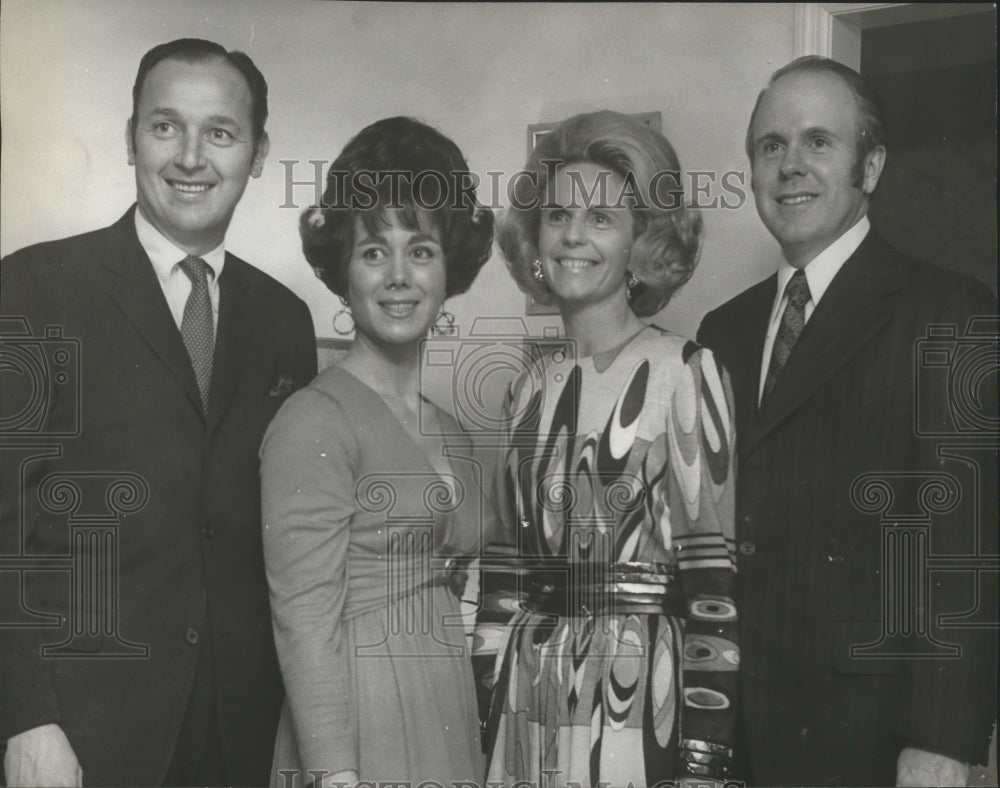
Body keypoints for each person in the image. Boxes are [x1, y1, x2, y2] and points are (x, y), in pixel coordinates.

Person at [0, 38, 317, 786]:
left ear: (259, 151)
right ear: (130, 136)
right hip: (79, 730)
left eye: (220, 132)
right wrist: (24, 716)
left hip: (241, 733)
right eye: (165, 126)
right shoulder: (36, 287)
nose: (190, 158)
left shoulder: (284, 320)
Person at [697, 56, 998, 787]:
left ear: (872, 165)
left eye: (818, 142)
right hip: (734, 725)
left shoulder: (950, 312)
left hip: (875, 736)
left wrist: (943, 741)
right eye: (771, 145)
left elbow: (965, 551)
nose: (790, 166)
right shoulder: (722, 331)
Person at [476, 110, 738, 787]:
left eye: (600, 220)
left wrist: (704, 765)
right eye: (558, 215)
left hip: (638, 703)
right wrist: (482, 727)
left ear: (641, 244)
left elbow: (714, 586)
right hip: (527, 705)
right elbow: (503, 584)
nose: (571, 236)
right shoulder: (526, 391)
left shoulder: (686, 370)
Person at [261, 116, 495, 787]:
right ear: (342, 270)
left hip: (444, 711)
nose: (398, 277)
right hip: (357, 726)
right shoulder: (314, 421)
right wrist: (337, 777)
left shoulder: (450, 430)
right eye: (373, 253)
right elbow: (304, 624)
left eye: (420, 251)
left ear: (451, 264)